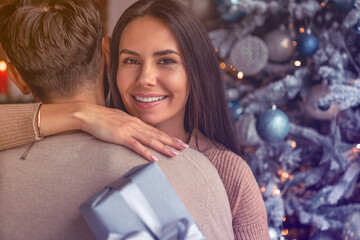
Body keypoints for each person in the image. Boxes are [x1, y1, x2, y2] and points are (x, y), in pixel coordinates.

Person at [0, 0, 270, 239]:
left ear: (195, 69)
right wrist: (78, 114)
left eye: (166, 61)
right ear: (110, 58)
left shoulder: (226, 173)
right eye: (130, 61)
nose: (145, 79)